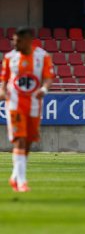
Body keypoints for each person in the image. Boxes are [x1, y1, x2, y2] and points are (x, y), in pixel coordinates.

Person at [0, 27, 54, 192]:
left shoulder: (43, 57)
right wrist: (2, 92)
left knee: (29, 142)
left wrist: (44, 90)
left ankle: (15, 176)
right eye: (13, 40)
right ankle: (22, 182)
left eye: (18, 40)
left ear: (29, 40)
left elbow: (47, 79)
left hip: (34, 105)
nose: (14, 43)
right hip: (14, 103)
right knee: (20, 139)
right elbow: (3, 80)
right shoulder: (9, 58)